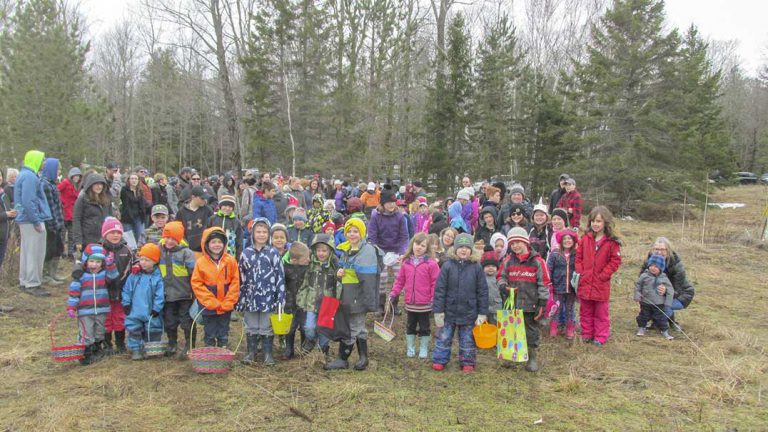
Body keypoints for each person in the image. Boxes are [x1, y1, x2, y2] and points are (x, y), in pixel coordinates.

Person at [327, 218, 379, 371]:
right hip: (348, 293)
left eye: (355, 231)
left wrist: (367, 301)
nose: (352, 234)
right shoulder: (346, 250)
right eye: (349, 231)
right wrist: (339, 273)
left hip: (358, 295)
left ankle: (342, 359)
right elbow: (343, 274)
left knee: (352, 327)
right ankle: (364, 357)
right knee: (359, 327)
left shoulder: (367, 251)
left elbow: (368, 279)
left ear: (362, 233)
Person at [431, 233, 488, 372]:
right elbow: (440, 290)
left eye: (467, 247)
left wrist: (482, 313)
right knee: (444, 337)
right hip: (449, 311)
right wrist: (438, 311)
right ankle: (440, 359)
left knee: (468, 339)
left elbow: (482, 291)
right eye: (460, 247)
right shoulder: (447, 266)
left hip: (469, 312)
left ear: (471, 250)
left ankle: (468, 361)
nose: (463, 250)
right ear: (455, 249)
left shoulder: (476, 267)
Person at [497, 227, 548, 372]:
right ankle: (509, 356)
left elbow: (544, 283)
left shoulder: (537, 262)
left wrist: (542, 303)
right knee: (510, 330)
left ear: (526, 242)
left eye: (518, 242)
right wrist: (503, 287)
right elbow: (501, 277)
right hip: (512, 303)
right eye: (512, 243)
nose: (515, 246)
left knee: (530, 331)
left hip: (531, 304)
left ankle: (531, 357)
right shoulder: (507, 261)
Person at [237, 218, 285, 366]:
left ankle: (267, 354)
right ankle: (251, 353)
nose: (261, 234)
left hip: (268, 297)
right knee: (251, 325)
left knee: (266, 325)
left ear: (268, 234)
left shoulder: (273, 253)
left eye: (264, 232)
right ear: (252, 233)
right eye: (258, 231)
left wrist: (280, 298)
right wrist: (241, 298)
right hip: (251, 297)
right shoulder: (246, 253)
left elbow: (280, 277)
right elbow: (241, 278)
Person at [575, 206, 622, 346]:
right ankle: (587, 333)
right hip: (585, 281)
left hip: (601, 284)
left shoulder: (611, 242)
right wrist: (581, 271)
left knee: (601, 312)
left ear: (605, 223)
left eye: (599, 221)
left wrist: (604, 275)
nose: (595, 224)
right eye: (593, 221)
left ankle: (600, 336)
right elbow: (578, 257)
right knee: (585, 311)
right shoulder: (585, 239)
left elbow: (615, 261)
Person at [388, 232, 440, 359]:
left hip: (425, 303)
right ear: (412, 244)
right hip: (410, 302)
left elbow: (436, 282)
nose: (419, 247)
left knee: (425, 326)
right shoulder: (406, 263)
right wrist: (394, 293)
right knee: (410, 325)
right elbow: (400, 280)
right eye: (417, 244)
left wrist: (434, 298)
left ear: (426, 248)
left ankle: (423, 348)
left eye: (422, 245)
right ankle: (410, 348)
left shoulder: (431, 264)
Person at [67, 244, 119, 365]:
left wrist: (111, 264)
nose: (94, 265)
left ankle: (96, 349)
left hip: (101, 309)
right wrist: (71, 307)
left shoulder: (104, 274)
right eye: (91, 261)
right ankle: (84, 354)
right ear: (86, 261)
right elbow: (74, 293)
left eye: (98, 262)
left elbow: (114, 276)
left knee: (100, 331)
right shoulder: (81, 276)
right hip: (85, 311)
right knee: (86, 333)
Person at [191, 227, 241, 348]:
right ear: (206, 244)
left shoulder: (230, 261)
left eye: (219, 242)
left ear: (224, 244)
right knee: (210, 329)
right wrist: (210, 301)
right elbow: (197, 283)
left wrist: (229, 301)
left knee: (224, 328)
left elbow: (235, 282)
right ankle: (210, 350)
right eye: (213, 242)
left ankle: (223, 348)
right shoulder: (201, 262)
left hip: (226, 304)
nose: (217, 245)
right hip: (208, 305)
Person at [15, 150, 52, 297]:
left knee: (27, 251)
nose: (44, 163)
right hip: (31, 220)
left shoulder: (24, 174)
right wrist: (36, 220)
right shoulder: (30, 177)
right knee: (35, 252)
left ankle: (25, 280)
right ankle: (33, 283)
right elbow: (28, 201)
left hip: (25, 219)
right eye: (42, 160)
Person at [296, 233, 338, 361]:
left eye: (324, 250)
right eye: (318, 250)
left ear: (330, 250)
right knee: (309, 327)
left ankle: (323, 349)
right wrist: (301, 300)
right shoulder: (310, 265)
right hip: (311, 302)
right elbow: (304, 284)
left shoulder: (335, 266)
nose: (321, 253)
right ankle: (310, 341)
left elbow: (339, 285)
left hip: (328, 302)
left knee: (325, 329)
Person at [159, 221, 197, 358]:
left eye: (173, 238)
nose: (169, 241)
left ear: (179, 239)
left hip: (184, 294)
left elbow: (194, 273)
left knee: (187, 321)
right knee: (169, 321)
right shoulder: (159, 250)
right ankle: (172, 343)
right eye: (167, 237)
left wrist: (195, 292)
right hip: (167, 294)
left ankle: (189, 344)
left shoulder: (186, 253)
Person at [639, 237, 694, 331]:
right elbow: (641, 278)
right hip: (658, 293)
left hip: (682, 295)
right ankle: (659, 322)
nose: (659, 252)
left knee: (661, 305)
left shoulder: (677, 265)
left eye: (662, 249)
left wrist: (666, 291)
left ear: (668, 250)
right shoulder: (649, 261)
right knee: (647, 303)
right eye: (656, 249)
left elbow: (678, 289)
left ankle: (668, 323)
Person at [368, 189, 409, 315]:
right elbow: (372, 236)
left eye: (393, 202)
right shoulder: (376, 216)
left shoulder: (400, 216)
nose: (392, 205)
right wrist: (378, 252)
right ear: (383, 203)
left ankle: (393, 304)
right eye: (389, 202)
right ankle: (380, 305)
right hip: (381, 251)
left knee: (399, 278)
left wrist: (402, 252)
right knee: (382, 278)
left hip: (396, 251)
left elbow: (404, 236)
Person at [122, 243, 164, 361]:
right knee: (134, 329)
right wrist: (126, 303)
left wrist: (157, 307)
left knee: (153, 329)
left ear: (155, 261)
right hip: (135, 310)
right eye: (142, 259)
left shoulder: (157, 277)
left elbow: (159, 295)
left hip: (151, 311)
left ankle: (151, 348)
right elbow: (127, 290)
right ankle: (136, 349)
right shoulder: (134, 276)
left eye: (147, 260)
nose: (143, 262)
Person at [100, 217, 134, 355]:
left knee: (120, 317)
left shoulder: (127, 249)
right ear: (104, 234)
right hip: (104, 291)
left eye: (118, 232)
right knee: (106, 318)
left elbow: (132, 266)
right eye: (112, 232)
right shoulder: (99, 249)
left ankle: (120, 343)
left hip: (122, 289)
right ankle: (107, 344)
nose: (115, 235)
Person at [280, 241, 310, 360]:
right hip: (289, 302)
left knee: (304, 326)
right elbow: (282, 283)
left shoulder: (308, 266)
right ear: (295, 260)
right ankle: (289, 349)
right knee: (290, 327)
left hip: (304, 303)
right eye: (305, 258)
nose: (308, 260)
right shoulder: (285, 266)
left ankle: (304, 349)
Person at [634, 254, 674, 340]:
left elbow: (670, 290)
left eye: (656, 266)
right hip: (645, 302)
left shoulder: (664, 278)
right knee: (643, 316)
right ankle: (641, 328)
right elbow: (638, 286)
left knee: (661, 318)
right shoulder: (644, 276)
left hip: (659, 303)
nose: (653, 268)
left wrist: (668, 303)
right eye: (651, 265)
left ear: (661, 268)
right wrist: (637, 295)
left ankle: (665, 331)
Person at [547, 230, 578, 339]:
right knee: (556, 308)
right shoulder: (555, 254)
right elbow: (549, 269)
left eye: (570, 239)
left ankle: (570, 328)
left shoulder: (577, 254)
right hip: (557, 287)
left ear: (574, 241)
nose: (567, 241)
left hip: (571, 288)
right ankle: (554, 327)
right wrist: (549, 282)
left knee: (570, 308)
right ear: (561, 241)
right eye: (565, 239)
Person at [40, 158, 65, 286]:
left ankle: (53, 273)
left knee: (58, 249)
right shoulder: (45, 185)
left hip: (58, 222)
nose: (59, 172)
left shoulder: (53, 184)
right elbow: (49, 207)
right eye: (58, 169)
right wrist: (54, 224)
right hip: (50, 224)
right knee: (49, 250)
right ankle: (45, 275)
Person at [72, 174, 112, 252]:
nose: (99, 187)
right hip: (87, 238)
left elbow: (110, 219)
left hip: (104, 239)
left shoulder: (107, 200)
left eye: (101, 184)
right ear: (90, 185)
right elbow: (76, 219)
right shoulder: (82, 199)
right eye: (96, 184)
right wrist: (78, 240)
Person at [177, 186, 213, 256]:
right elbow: (178, 231)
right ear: (193, 197)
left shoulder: (207, 210)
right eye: (202, 198)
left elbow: (212, 228)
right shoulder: (181, 212)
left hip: (205, 250)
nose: (205, 200)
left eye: (206, 198)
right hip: (187, 250)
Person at [206, 195, 243, 259]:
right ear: (220, 206)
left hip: (230, 254)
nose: (227, 208)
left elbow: (239, 240)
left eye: (230, 206)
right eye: (225, 206)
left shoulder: (236, 221)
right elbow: (206, 236)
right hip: (213, 253)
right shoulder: (212, 219)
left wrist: (238, 257)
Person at [58, 167, 82, 258]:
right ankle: (62, 252)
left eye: (78, 176)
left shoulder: (79, 186)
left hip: (73, 213)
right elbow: (57, 190)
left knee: (72, 235)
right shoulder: (65, 183)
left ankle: (71, 252)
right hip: (64, 212)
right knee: (62, 234)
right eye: (75, 176)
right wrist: (61, 202)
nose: (76, 178)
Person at [120, 173, 148, 246]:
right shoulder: (124, 190)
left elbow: (143, 203)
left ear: (138, 180)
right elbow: (124, 204)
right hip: (127, 218)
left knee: (141, 238)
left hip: (139, 217)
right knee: (129, 240)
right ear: (128, 180)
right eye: (132, 179)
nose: (134, 180)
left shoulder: (140, 191)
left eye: (135, 179)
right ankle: (130, 255)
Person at [480, 246, 502, 326]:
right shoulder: (480, 278)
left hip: (496, 309)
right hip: (483, 309)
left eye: (493, 266)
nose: (490, 268)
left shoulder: (499, 278)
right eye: (488, 266)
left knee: (495, 327)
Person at [0, 170, 15, 272]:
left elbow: (7, 209)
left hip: (3, 234)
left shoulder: (3, 193)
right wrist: (6, 214)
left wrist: (12, 213)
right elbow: (5, 213)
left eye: (0, 175)